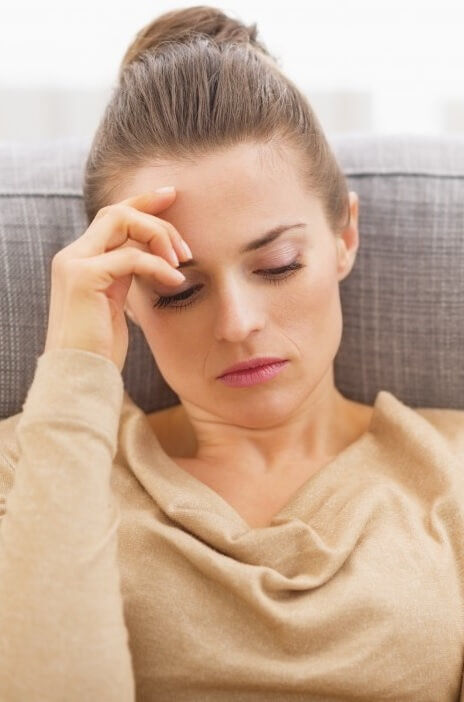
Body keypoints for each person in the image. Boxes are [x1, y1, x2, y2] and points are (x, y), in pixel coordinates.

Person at [1, 6, 464, 701]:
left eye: (276, 265)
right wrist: (73, 370)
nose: (239, 324)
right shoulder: (31, 467)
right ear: (124, 291)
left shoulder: (446, 467)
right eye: (179, 291)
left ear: (344, 237)